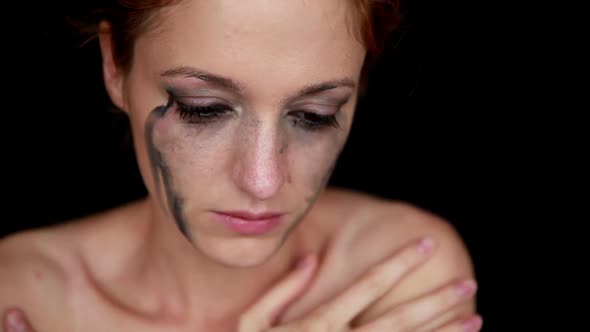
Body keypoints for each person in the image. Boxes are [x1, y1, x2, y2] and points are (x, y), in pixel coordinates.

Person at [0, 0, 480, 331]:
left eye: (315, 115)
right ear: (114, 66)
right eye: (203, 108)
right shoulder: (18, 295)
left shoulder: (402, 279)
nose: (263, 181)